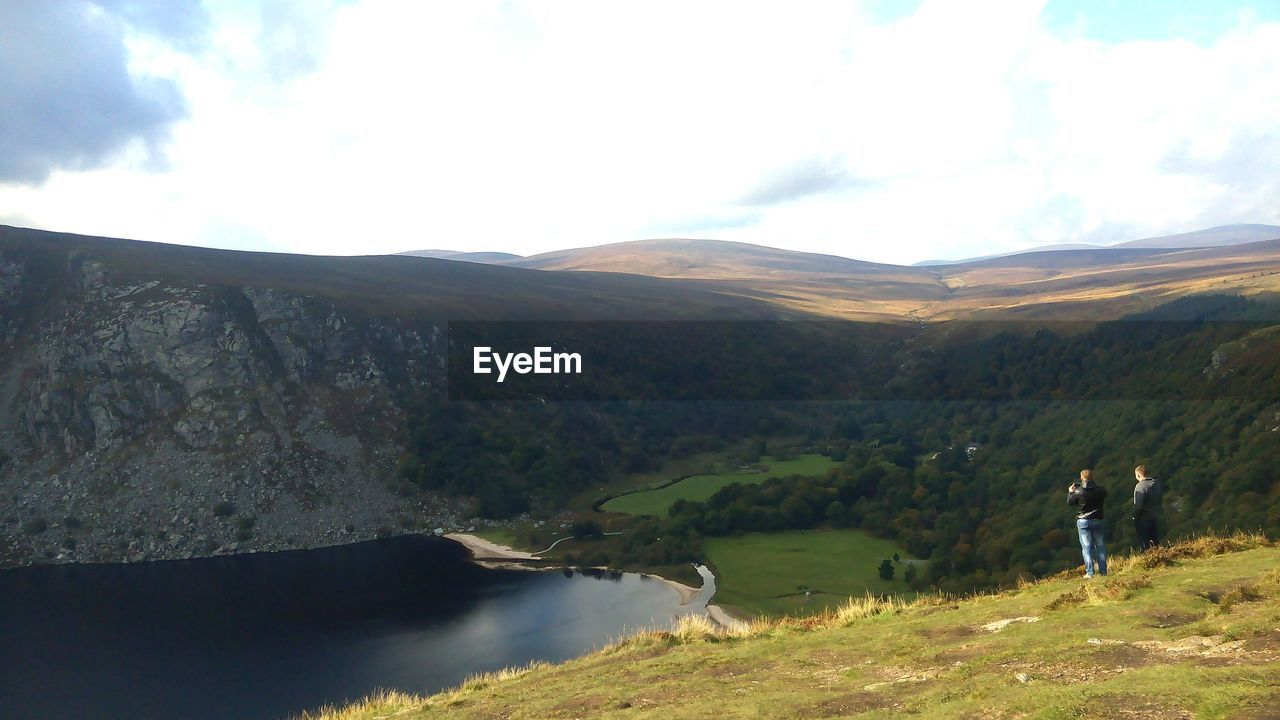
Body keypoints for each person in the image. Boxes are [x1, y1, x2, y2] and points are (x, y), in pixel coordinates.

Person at [1067, 469, 1108, 577]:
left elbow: (1070, 502)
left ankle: (1090, 572)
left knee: (1086, 547)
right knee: (1100, 545)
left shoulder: (1078, 491)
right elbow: (1104, 496)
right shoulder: (1101, 490)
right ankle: (1103, 571)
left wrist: (1071, 492)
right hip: (1098, 519)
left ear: (1081, 478)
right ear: (1092, 477)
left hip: (1083, 521)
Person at [1132, 465, 1164, 551]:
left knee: (1145, 542)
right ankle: (1159, 556)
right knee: (1155, 540)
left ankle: (1148, 560)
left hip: (1143, 518)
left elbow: (1138, 505)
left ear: (1138, 474)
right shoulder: (1156, 484)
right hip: (1154, 515)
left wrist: (1135, 515)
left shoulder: (1141, 486)